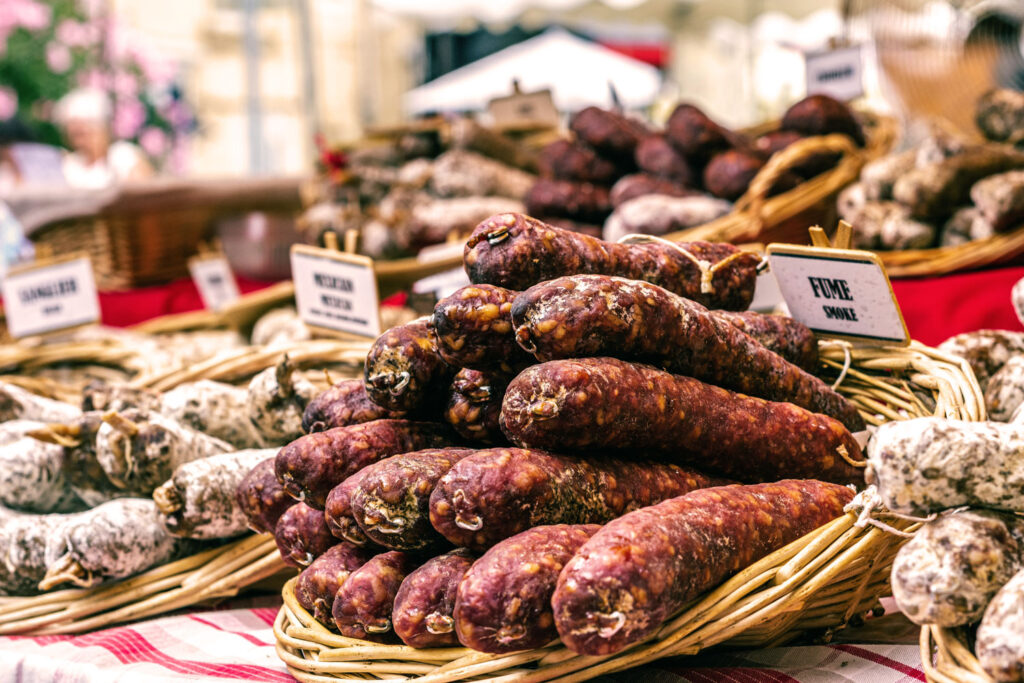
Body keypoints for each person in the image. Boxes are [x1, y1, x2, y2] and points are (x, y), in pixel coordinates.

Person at [53, 88, 153, 189]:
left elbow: (143, 194)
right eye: (73, 131)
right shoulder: (70, 165)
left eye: (84, 127)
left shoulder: (124, 156)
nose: (76, 130)